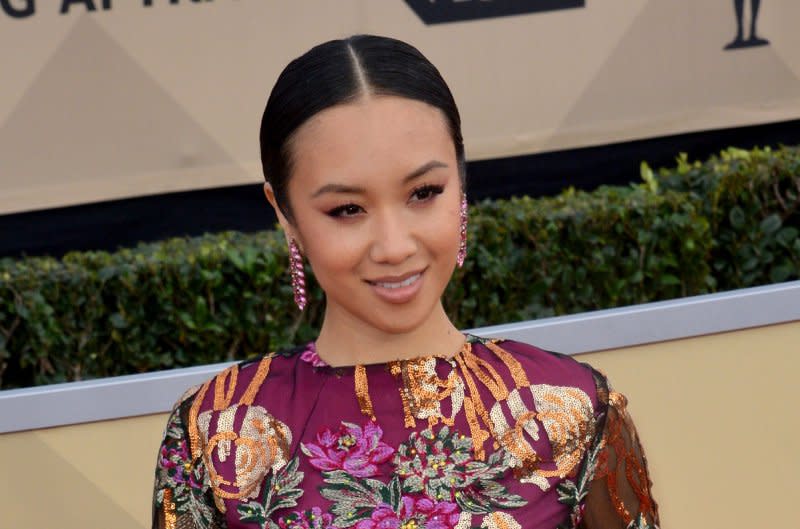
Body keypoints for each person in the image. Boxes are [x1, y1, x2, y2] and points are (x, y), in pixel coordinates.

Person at [152, 35, 659, 529]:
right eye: (347, 209)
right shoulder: (214, 433)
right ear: (284, 214)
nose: (394, 246)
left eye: (423, 192)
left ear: (460, 184)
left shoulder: (574, 411)